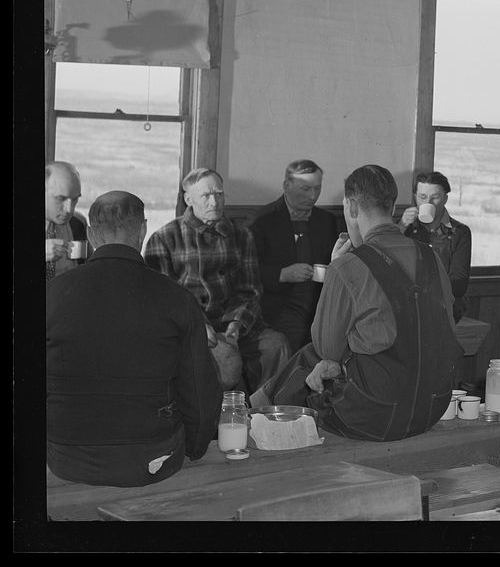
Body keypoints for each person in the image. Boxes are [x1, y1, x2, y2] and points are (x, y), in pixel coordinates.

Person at [251, 164, 464, 442]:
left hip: (376, 415)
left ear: (352, 207)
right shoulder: (431, 258)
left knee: (307, 363)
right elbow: (447, 325)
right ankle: (253, 410)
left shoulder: (348, 266)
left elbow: (327, 348)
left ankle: (251, 418)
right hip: (432, 406)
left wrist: (336, 269)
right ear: (392, 204)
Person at [46, 191, 221, 487]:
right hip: (153, 458)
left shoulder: (51, 295)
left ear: (90, 234)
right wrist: (195, 448)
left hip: (65, 457)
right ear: (143, 230)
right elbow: (199, 391)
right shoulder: (177, 298)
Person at [144, 167, 289, 393]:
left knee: (276, 345)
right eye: (206, 196)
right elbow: (165, 298)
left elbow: (250, 290)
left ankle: (262, 414)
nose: (214, 202)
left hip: (237, 324)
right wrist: (199, 325)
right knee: (214, 361)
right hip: (193, 326)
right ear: (188, 199)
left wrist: (236, 325)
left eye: (219, 194)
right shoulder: (164, 238)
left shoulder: (242, 235)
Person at [250, 159, 341, 352]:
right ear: (286, 186)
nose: (313, 195)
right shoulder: (262, 220)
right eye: (305, 189)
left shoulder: (326, 220)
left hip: (321, 303)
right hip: (279, 306)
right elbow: (247, 271)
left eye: (317, 188)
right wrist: (282, 274)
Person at [399, 170, 472, 323]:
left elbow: (459, 283)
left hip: (446, 306)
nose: (428, 203)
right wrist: (401, 226)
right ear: (415, 197)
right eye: (422, 197)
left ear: (445, 199)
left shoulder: (460, 232)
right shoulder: (405, 229)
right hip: (409, 304)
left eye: (435, 197)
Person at [45, 161, 87, 282]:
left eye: (74, 199)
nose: (69, 209)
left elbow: (84, 264)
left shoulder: (77, 224)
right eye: (60, 199)